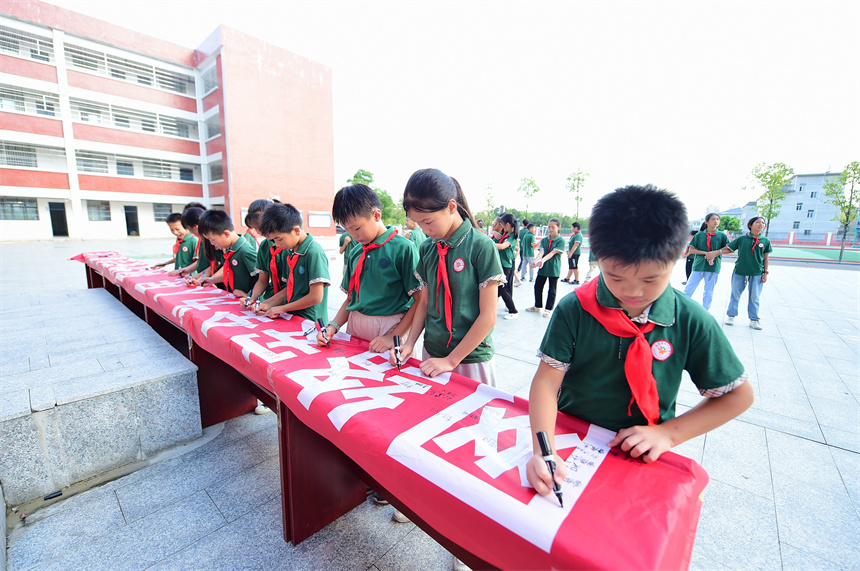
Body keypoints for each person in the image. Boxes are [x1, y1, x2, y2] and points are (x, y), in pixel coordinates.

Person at [526, 184, 754, 504]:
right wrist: (543, 451)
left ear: (678, 258)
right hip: (571, 441)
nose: (633, 292)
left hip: (643, 450)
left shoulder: (689, 319)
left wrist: (668, 434)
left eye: (650, 279)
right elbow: (547, 383)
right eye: (614, 277)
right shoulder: (575, 308)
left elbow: (737, 396)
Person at [390, 168, 504, 571]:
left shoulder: (479, 247)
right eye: (417, 223)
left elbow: (487, 317)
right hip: (435, 359)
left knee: (473, 449)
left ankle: (468, 541)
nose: (422, 228)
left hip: (468, 362)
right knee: (431, 440)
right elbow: (422, 305)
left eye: (427, 220)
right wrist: (408, 343)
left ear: (452, 206)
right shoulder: (426, 247)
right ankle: (425, 507)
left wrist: (453, 360)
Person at [320, 184, 424, 352]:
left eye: (357, 228)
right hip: (355, 326)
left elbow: (420, 300)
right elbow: (351, 299)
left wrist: (394, 337)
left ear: (376, 215)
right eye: (346, 229)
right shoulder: (355, 252)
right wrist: (333, 326)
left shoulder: (403, 248)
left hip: (390, 328)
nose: (353, 235)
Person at [254, 203, 330, 322]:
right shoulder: (292, 252)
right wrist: (266, 304)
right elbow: (290, 288)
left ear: (296, 230)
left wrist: (283, 308)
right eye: (273, 240)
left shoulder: (313, 252)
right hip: (293, 315)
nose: (277, 245)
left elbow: (316, 297)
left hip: (311, 320)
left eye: (279, 239)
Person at [708, 216, 771, 330]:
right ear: (750, 225)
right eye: (757, 222)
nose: (761, 224)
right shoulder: (742, 239)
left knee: (755, 297)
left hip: (757, 273)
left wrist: (765, 273)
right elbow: (729, 249)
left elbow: (766, 258)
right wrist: (716, 253)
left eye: (763, 223)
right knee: (735, 295)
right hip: (740, 271)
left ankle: (754, 320)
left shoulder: (765, 241)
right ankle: (731, 316)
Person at [197, 209, 257, 297]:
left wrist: (249, 296)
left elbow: (262, 279)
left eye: (212, 240)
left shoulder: (245, 251)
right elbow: (233, 274)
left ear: (226, 234)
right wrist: (212, 280)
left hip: (250, 301)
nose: (212, 244)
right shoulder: (231, 250)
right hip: (238, 298)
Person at [683, 213, 728, 310]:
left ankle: (705, 310)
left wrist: (716, 253)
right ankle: (682, 308)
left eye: (717, 219)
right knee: (689, 288)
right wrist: (706, 254)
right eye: (713, 219)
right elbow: (692, 249)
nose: (716, 221)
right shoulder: (699, 235)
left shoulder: (722, 236)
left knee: (709, 291)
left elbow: (729, 249)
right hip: (698, 266)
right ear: (706, 222)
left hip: (713, 267)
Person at [526, 218, 565, 317]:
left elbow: (552, 253)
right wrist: (535, 261)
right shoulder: (544, 240)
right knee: (538, 286)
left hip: (553, 268)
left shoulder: (561, 240)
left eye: (553, 227)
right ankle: (537, 306)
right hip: (543, 267)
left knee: (552, 289)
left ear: (559, 227)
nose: (550, 229)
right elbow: (542, 252)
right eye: (549, 227)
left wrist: (542, 261)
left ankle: (548, 309)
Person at [494, 213, 519, 320]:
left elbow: (503, 246)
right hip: (500, 264)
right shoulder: (505, 234)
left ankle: (513, 310)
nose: (501, 226)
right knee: (497, 288)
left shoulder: (512, 237)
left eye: (502, 224)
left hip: (505, 266)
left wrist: (486, 243)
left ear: (507, 224)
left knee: (502, 288)